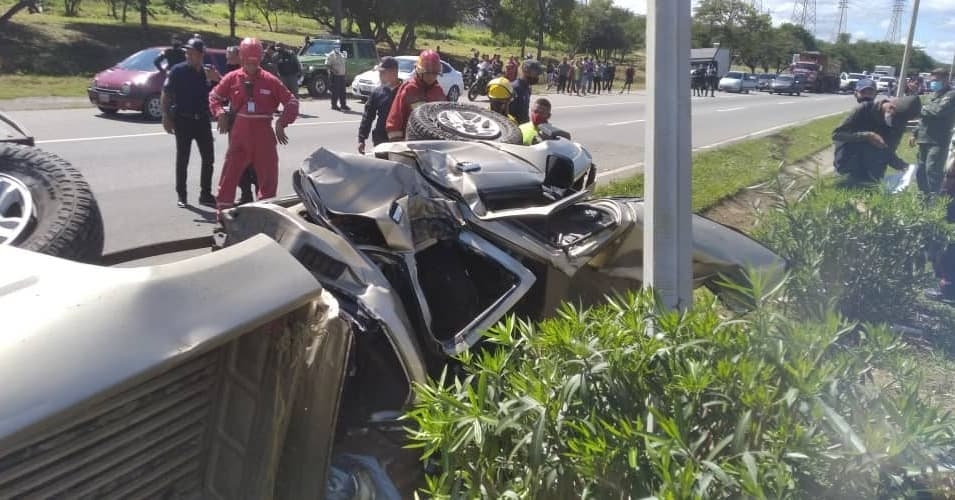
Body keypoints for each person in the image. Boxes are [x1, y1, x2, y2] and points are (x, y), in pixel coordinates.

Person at [209, 37, 299, 214]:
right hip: (239, 137)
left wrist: (282, 122)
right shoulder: (232, 78)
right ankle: (223, 217)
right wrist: (220, 114)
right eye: (248, 62)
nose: (251, 66)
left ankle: (264, 218)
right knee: (229, 177)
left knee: (268, 181)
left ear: (260, 60)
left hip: (263, 136)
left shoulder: (270, 80)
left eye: (255, 62)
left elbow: (292, 102)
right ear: (241, 59)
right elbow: (214, 97)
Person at [160, 37, 222, 208]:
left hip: (202, 120)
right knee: (183, 159)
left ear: (201, 54)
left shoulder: (207, 72)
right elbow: (166, 93)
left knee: (208, 158)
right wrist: (165, 116)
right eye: (187, 52)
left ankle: (205, 194)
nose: (188, 55)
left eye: (191, 52)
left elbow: (224, 89)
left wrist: (216, 78)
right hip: (183, 120)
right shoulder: (177, 70)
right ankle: (182, 195)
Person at [832, 95, 922, 187]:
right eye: (895, 119)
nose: (895, 124)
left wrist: (903, 166)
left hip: (872, 174)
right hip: (849, 165)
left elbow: (888, 151)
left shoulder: (898, 125)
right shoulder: (864, 109)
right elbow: (837, 135)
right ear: (890, 108)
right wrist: (867, 136)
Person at [911, 68, 955, 194]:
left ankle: (934, 201)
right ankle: (922, 198)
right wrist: (915, 133)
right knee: (921, 170)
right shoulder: (931, 96)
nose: (933, 83)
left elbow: (938, 111)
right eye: (932, 80)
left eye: (936, 80)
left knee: (932, 170)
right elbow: (923, 118)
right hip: (924, 138)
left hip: (938, 140)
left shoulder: (951, 95)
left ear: (946, 79)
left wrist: (921, 108)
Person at [385, 49, 446, 141]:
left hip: (433, 144)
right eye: (428, 73)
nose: (432, 77)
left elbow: (444, 118)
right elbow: (395, 119)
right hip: (409, 143)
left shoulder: (438, 91)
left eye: (435, 74)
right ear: (419, 71)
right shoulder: (409, 89)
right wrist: (398, 142)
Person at [358, 57, 399, 154]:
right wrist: (361, 139)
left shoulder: (405, 91)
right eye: (379, 73)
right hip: (381, 140)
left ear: (394, 72)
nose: (380, 76)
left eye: (383, 73)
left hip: (400, 142)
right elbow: (368, 116)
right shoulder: (377, 92)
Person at [509, 59, 541, 125]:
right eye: (536, 73)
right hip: (514, 128)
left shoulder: (528, 88)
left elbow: (524, 112)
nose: (537, 76)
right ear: (526, 71)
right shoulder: (514, 87)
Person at [326, 45, 350, 111]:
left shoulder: (341, 54)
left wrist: (345, 56)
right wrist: (334, 71)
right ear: (334, 48)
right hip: (335, 76)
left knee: (343, 91)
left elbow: (343, 64)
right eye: (336, 47)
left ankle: (343, 105)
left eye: (339, 47)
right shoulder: (331, 55)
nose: (338, 48)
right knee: (335, 91)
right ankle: (334, 105)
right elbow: (327, 65)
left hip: (342, 75)